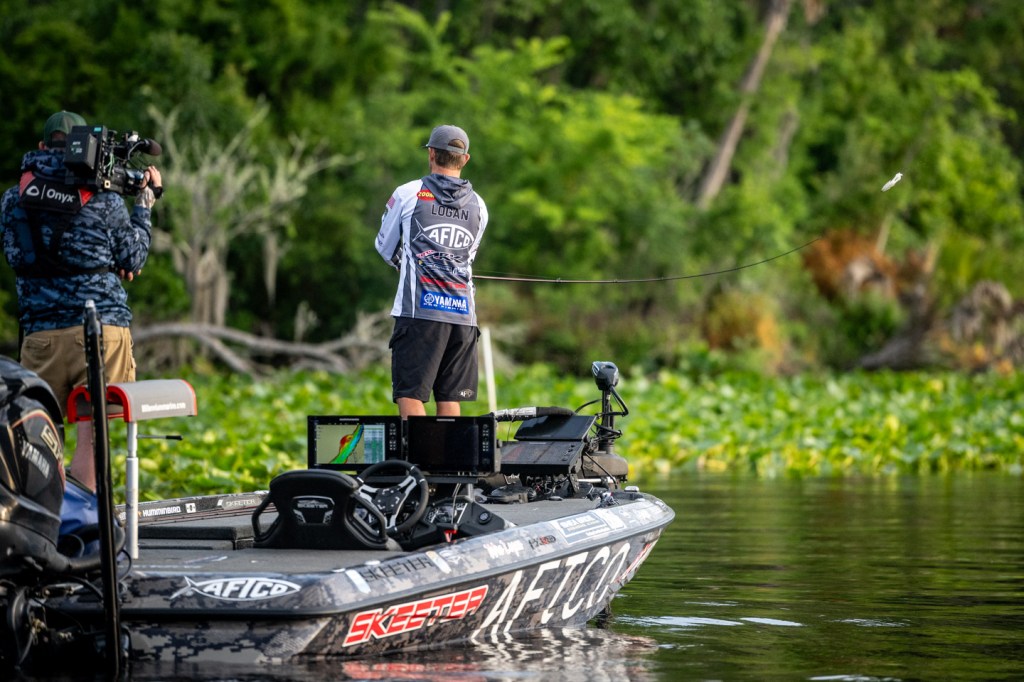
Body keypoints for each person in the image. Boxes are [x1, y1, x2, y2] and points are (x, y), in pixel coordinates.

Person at [0, 110, 161, 499]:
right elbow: (133, 256)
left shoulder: (12, 198)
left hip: (40, 334)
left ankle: (46, 513)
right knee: (93, 429)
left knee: (39, 431)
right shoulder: (104, 197)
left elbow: (17, 256)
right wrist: (144, 205)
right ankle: (88, 512)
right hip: (100, 330)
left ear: (42, 147)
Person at [375, 124, 489, 419]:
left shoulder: (408, 193)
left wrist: (407, 264)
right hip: (463, 316)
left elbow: (384, 247)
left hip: (420, 314)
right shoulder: (480, 205)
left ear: (431, 154)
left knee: (410, 395)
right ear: (465, 159)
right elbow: (467, 257)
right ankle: (446, 453)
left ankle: (420, 453)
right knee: (449, 399)